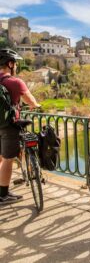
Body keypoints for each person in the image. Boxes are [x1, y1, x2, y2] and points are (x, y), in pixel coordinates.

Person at [0, 48, 40, 205]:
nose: (16, 67)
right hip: (8, 126)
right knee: (8, 159)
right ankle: (3, 195)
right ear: (10, 64)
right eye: (15, 64)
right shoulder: (14, 82)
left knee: (1, 158)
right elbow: (31, 100)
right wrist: (36, 104)